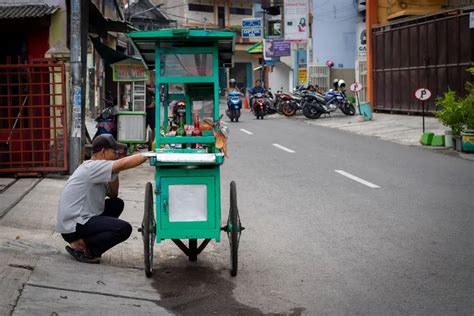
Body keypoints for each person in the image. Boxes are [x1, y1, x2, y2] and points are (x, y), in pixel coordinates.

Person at [56, 134, 148, 263]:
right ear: (103, 152)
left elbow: (113, 194)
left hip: (80, 220)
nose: (116, 154)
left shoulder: (99, 169)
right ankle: (86, 248)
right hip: (73, 225)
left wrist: (116, 170)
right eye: (114, 151)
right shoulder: (92, 166)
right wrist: (150, 155)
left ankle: (85, 241)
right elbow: (125, 163)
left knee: (116, 204)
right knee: (124, 229)